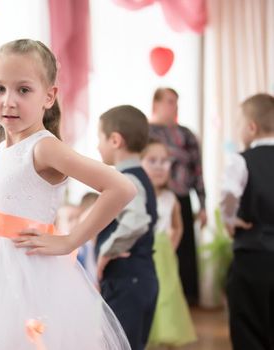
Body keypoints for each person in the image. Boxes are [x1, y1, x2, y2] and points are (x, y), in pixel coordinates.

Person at [0, 39, 135, 349]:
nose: (8, 101)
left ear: (49, 96)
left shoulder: (44, 147)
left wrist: (71, 240)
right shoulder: (3, 149)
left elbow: (121, 187)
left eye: (23, 90)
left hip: (26, 276)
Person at [95, 105, 158, 350]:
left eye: (99, 139)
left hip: (128, 280)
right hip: (138, 277)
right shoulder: (140, 175)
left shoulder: (127, 179)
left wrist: (106, 252)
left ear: (115, 140)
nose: (97, 146)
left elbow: (137, 220)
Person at [220, 93, 274, 349]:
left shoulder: (242, 160)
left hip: (253, 258)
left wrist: (230, 219)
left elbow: (228, 195)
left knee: (247, 325)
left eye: (239, 123)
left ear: (251, 127)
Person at [149, 87, 206, 305]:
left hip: (181, 197)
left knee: (183, 253)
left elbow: (198, 170)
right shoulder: (145, 132)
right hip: (154, 197)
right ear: (156, 104)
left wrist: (202, 205)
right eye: (170, 101)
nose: (175, 106)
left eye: (177, 102)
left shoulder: (187, 134)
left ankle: (184, 300)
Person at [141, 140, 196, 348]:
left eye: (164, 161)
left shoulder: (170, 198)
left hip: (163, 256)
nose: (159, 166)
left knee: (166, 297)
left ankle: (163, 338)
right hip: (143, 253)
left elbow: (178, 227)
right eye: (152, 160)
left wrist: (169, 245)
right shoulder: (137, 195)